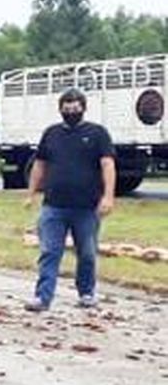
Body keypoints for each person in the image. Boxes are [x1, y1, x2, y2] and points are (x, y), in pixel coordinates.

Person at [24, 88, 115, 311]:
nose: (71, 112)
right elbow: (40, 164)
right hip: (54, 206)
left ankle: (86, 292)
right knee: (49, 252)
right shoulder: (51, 134)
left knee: (86, 252)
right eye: (67, 108)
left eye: (75, 108)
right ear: (60, 109)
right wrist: (31, 193)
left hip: (86, 207)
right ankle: (42, 297)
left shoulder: (97, 134)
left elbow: (107, 164)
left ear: (83, 108)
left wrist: (108, 196)